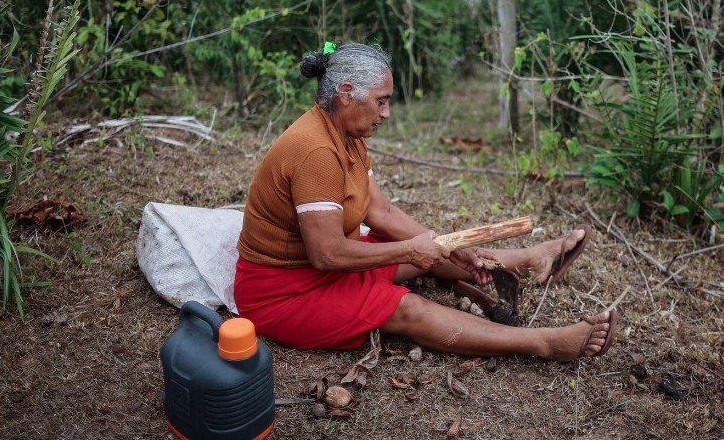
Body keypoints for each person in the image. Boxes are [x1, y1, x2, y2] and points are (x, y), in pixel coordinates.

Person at [233, 42, 620, 361]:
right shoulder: (315, 150)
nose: (386, 113)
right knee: (405, 307)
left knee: (419, 252)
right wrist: (412, 251)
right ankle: (545, 343)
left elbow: (380, 212)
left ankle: (529, 260)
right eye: (381, 102)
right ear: (347, 92)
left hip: (320, 270)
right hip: (285, 293)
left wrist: (449, 248)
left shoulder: (345, 136)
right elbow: (327, 255)